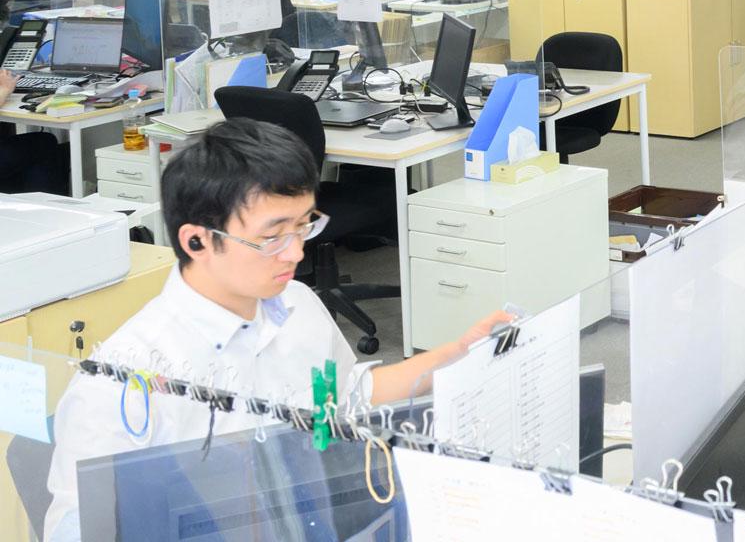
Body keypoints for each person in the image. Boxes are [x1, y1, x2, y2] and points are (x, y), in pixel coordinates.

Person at [43, 118, 511, 542]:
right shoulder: (122, 381)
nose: (296, 253)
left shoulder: (297, 303)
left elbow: (345, 395)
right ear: (197, 240)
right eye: (272, 237)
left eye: (304, 226)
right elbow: (79, 529)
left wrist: (460, 352)